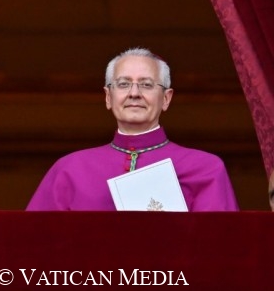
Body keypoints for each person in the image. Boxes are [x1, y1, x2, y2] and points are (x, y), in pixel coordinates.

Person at [27, 47, 238, 211]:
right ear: (108, 97)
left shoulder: (205, 169)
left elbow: (221, 245)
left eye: (146, 84)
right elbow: (34, 241)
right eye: (123, 84)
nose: (134, 93)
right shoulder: (69, 169)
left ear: (166, 98)